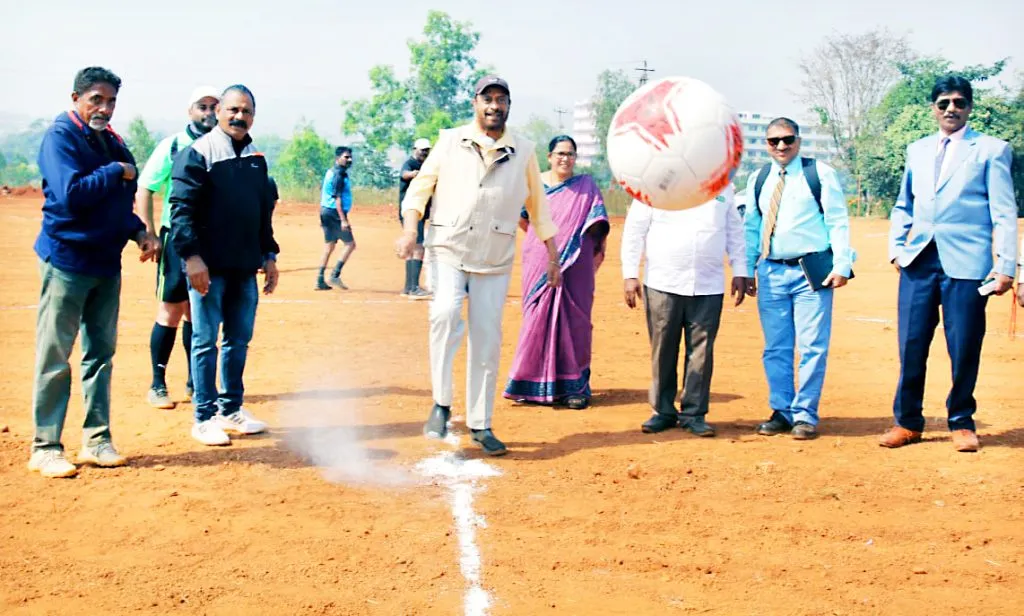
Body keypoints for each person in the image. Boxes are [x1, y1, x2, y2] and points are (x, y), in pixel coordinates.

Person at [397, 75, 560, 456]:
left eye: (501, 100)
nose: (494, 106)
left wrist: (553, 255)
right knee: (445, 312)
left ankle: (481, 423)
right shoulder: (450, 140)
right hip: (448, 246)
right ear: (475, 103)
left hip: (493, 255)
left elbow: (539, 206)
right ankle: (441, 404)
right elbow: (420, 188)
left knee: (486, 337)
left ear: (508, 106)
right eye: (487, 99)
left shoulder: (523, 149)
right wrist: (409, 231)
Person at [30, 66, 158, 478]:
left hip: (106, 264)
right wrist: (114, 171)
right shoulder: (61, 137)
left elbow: (119, 202)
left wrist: (139, 232)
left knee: (100, 356)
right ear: (76, 99)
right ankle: (45, 447)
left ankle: (97, 440)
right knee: (55, 356)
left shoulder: (111, 140)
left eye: (111, 101)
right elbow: (71, 195)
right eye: (96, 100)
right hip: (68, 262)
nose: (104, 108)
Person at [883, 75, 1018, 452]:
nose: (951, 110)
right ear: (933, 108)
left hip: (968, 264)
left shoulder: (991, 150)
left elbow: (1005, 213)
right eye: (943, 103)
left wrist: (1007, 265)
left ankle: (961, 421)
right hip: (918, 260)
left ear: (970, 107)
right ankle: (907, 422)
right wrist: (897, 248)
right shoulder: (918, 150)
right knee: (910, 344)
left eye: (959, 103)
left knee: (963, 346)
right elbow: (902, 204)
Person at [169, 84, 279, 447]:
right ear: (218, 112)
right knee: (204, 341)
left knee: (238, 340)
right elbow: (181, 210)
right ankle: (204, 417)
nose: (239, 116)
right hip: (208, 268)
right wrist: (192, 257)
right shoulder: (198, 153)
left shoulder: (256, 156)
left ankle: (231, 409)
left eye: (246, 111)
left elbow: (263, 211)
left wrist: (269, 254)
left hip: (245, 266)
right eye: (232, 109)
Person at [743, 117, 853, 441]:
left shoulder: (819, 174)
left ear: (798, 141)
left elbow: (837, 220)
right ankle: (781, 411)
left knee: (812, 347)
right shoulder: (759, 178)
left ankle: (805, 414)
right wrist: (748, 268)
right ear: (766, 144)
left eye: (787, 139)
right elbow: (752, 225)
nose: (781, 146)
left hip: (811, 272)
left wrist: (842, 265)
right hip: (772, 272)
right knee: (776, 347)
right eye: (773, 141)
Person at [622, 186, 748, 436]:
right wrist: (630, 274)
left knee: (701, 352)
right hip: (662, 281)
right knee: (663, 348)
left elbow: (734, 230)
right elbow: (635, 230)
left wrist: (740, 270)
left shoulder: (724, 187)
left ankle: (694, 414)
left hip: (708, 283)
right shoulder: (657, 183)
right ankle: (663, 411)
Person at [503, 135, 609, 409]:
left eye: (571, 154)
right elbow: (522, 218)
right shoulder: (534, 184)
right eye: (560, 153)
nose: (565, 159)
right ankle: (531, 382)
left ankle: (575, 387)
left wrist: (570, 247)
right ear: (549, 157)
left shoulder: (586, 188)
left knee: (577, 321)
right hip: (538, 259)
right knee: (537, 317)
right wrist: (546, 245)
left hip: (576, 263)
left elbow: (597, 224)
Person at [137, 86, 220, 410]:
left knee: (198, 314)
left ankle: (194, 382)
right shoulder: (173, 146)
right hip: (177, 238)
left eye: (215, 106)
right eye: (202, 106)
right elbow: (145, 188)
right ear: (191, 111)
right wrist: (149, 233)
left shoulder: (223, 147)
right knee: (171, 310)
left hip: (210, 241)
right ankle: (158, 384)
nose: (209, 112)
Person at [397, 138, 433, 299]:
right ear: (414, 149)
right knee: (419, 247)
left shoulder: (428, 166)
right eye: (422, 150)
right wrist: (414, 175)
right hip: (412, 211)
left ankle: (409, 287)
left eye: (427, 150)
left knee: (414, 248)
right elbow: (404, 174)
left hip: (420, 212)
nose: (424, 153)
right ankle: (414, 287)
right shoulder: (410, 163)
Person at [316, 147, 355, 290]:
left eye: (350, 157)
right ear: (338, 158)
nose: (349, 160)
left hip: (326, 210)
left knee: (329, 246)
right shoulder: (339, 174)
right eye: (346, 157)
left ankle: (319, 279)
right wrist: (343, 220)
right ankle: (335, 274)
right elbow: (337, 198)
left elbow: (323, 188)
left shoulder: (331, 171)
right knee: (350, 244)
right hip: (334, 213)